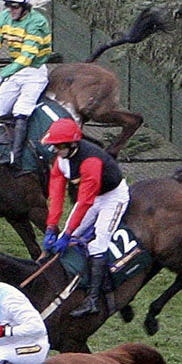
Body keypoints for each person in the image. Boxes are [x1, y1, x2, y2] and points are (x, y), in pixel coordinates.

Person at [40, 117, 129, 318]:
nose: (54, 150)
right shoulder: (62, 160)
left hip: (112, 198)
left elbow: (85, 201)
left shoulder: (90, 161)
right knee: (64, 235)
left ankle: (93, 299)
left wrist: (69, 233)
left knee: (98, 244)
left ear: (71, 144)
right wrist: (52, 226)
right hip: (91, 197)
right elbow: (56, 194)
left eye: (57, 146)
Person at [0, 0, 53, 166]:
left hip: (34, 72)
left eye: (15, 6)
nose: (11, 10)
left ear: (25, 6)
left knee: (21, 112)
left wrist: (0, 75)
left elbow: (26, 58)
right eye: (8, 5)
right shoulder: (4, 18)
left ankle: (15, 158)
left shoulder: (38, 22)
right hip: (15, 72)